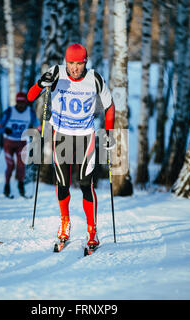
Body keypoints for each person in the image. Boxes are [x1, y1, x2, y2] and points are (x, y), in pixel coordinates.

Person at [27, 43, 115, 249]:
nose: (74, 68)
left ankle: (92, 230)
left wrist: (109, 133)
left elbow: (110, 107)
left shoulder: (95, 78)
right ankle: (64, 223)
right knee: (63, 183)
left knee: (86, 184)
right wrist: (41, 84)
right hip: (61, 136)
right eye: (71, 63)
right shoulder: (56, 73)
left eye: (79, 63)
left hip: (86, 137)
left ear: (85, 62)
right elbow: (31, 96)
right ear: (66, 62)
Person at [0, 92, 39, 198]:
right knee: (10, 165)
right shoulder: (9, 111)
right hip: (9, 142)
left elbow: (38, 125)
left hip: (22, 142)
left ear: (26, 102)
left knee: (21, 166)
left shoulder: (30, 112)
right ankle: (6, 186)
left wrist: (39, 131)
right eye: (19, 102)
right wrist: (4, 129)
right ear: (16, 102)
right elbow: (0, 126)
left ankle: (21, 186)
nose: (21, 105)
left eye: (23, 102)